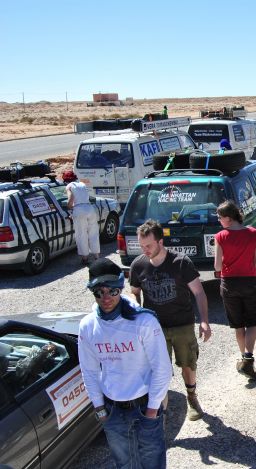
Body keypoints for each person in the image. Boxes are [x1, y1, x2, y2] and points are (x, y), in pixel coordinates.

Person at [78, 258, 171, 469]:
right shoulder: (88, 326)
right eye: (99, 292)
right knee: (125, 465)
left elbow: (162, 368)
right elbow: (89, 370)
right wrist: (100, 409)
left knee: (152, 464)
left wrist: (152, 409)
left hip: (144, 408)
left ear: (120, 288)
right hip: (112, 411)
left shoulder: (144, 322)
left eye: (112, 291)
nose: (106, 298)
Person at [130, 220, 210, 421]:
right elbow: (134, 292)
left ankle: (192, 397)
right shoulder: (138, 265)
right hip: (154, 329)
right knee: (157, 371)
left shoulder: (181, 262)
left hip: (182, 324)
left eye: (148, 245)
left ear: (160, 241)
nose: (145, 250)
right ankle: (160, 411)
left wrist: (204, 321)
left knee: (188, 364)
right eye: (141, 246)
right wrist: (135, 314)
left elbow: (199, 292)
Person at [214, 200, 256, 380]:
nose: (219, 220)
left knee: (238, 324)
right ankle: (248, 360)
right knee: (252, 323)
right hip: (249, 282)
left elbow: (217, 266)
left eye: (220, 217)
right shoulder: (253, 234)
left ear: (228, 218)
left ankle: (244, 358)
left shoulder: (220, 236)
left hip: (229, 284)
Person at [63, 171, 100, 265]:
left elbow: (71, 198)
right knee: (93, 233)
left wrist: (69, 207)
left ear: (66, 180)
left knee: (81, 234)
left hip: (79, 210)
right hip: (89, 208)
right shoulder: (82, 184)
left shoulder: (69, 186)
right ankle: (96, 256)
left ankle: (85, 258)